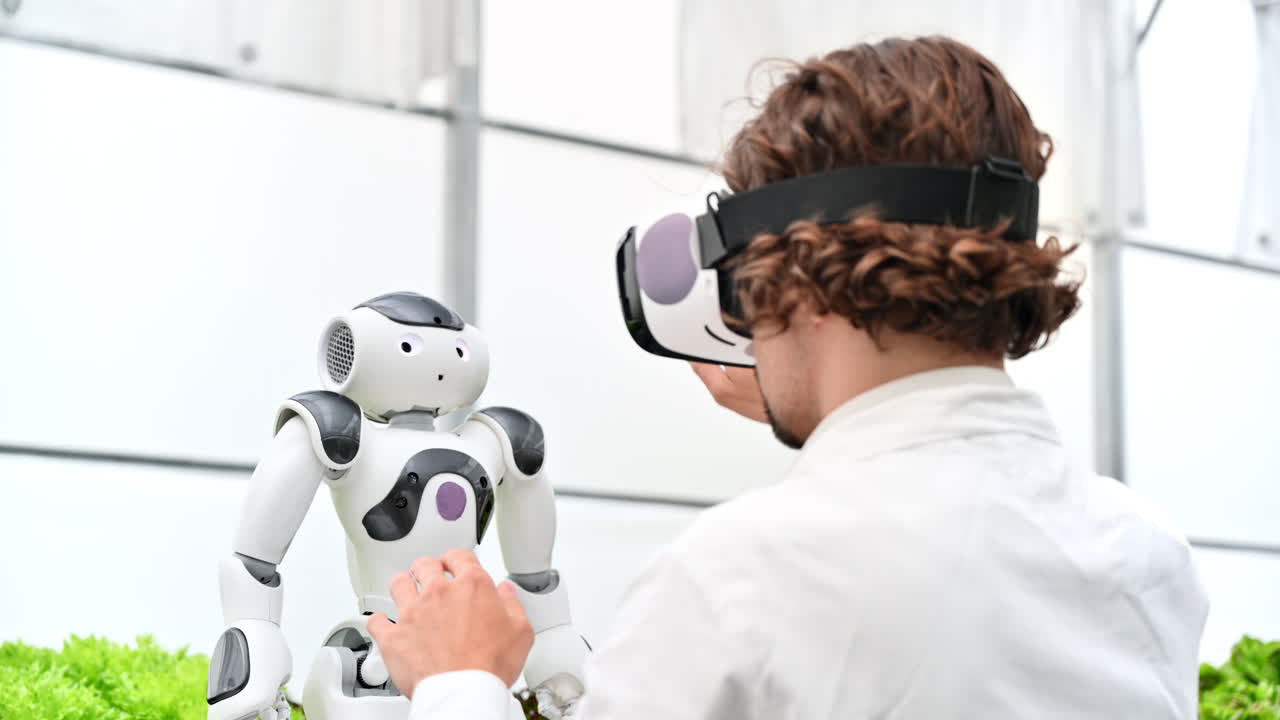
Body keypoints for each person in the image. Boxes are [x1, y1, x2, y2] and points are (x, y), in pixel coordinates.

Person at [367, 35, 1208, 719]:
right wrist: (825, 413)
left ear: (790, 278)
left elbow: (846, 568)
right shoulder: (1145, 553)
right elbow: (933, 562)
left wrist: (459, 681)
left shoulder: (735, 579)